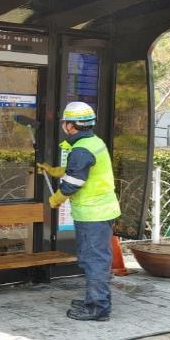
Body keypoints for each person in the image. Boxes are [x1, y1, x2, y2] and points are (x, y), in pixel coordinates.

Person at [37, 101, 121, 322]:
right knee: (92, 259)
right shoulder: (92, 142)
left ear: (71, 125)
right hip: (99, 212)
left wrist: (56, 198)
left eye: (65, 121)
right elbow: (78, 169)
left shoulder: (82, 149)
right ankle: (95, 299)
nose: (63, 125)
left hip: (94, 214)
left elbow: (73, 183)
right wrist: (54, 171)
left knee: (94, 261)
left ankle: (97, 308)